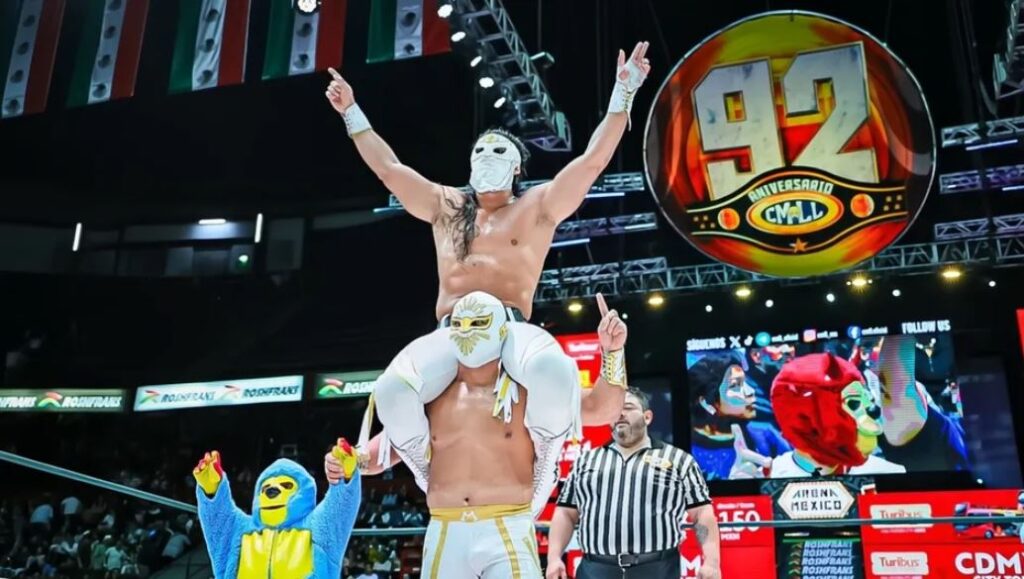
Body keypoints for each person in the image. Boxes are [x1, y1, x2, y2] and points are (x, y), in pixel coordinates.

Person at [325, 40, 652, 513]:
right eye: (479, 149)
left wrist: (624, 94)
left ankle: (546, 465)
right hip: (450, 332)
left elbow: (592, 161)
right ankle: (422, 471)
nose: (486, 155)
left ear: (517, 166)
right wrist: (352, 112)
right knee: (392, 389)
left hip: (511, 330)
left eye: (498, 149)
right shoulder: (446, 206)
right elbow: (389, 170)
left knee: (552, 370)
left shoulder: (538, 207)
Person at [328, 292, 630, 578]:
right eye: (460, 324)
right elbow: (381, 454)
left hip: (508, 525)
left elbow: (603, 409)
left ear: (501, 329)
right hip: (445, 525)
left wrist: (613, 352)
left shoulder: (524, 391)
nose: (468, 331)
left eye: (478, 322)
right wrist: (350, 461)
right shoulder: (433, 398)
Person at [547, 389, 722, 579]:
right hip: (595, 569)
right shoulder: (585, 461)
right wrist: (554, 558)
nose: (620, 413)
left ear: (647, 417)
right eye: (615, 409)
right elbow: (565, 513)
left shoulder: (679, 460)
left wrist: (711, 562)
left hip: (657, 569)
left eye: (628, 407)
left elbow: (701, 513)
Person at [688, 355, 790, 480]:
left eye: (746, 382)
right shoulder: (686, 453)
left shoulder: (767, 435)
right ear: (706, 403)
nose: (750, 391)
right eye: (736, 385)